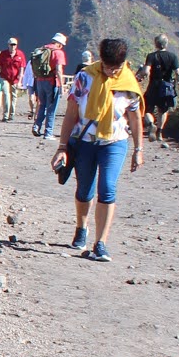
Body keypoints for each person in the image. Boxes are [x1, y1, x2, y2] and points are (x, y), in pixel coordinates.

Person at [51, 37, 144, 263]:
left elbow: (134, 116)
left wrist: (138, 149)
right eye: (107, 67)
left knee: (108, 188)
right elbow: (72, 113)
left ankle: (100, 243)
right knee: (84, 189)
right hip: (85, 142)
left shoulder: (128, 82)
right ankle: (82, 227)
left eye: (117, 68)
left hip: (115, 142)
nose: (112, 72)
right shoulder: (85, 77)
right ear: (101, 60)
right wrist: (62, 147)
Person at [141, 33, 179, 143]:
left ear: (156, 44)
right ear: (166, 44)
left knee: (146, 109)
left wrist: (140, 76)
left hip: (153, 87)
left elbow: (146, 71)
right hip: (166, 88)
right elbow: (178, 74)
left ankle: (151, 124)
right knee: (163, 110)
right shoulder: (172, 57)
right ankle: (159, 132)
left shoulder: (151, 56)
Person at [29, 31, 68, 139]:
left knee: (42, 105)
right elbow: (59, 70)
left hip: (40, 81)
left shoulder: (42, 49)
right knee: (51, 108)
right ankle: (48, 132)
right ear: (60, 43)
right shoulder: (58, 52)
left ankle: (36, 126)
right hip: (52, 82)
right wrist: (62, 86)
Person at [0, 37, 28, 120]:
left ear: (16, 45)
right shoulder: (3, 54)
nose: (13, 46)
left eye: (14, 45)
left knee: (14, 96)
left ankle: (11, 114)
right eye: (11, 44)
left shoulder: (20, 54)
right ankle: (5, 115)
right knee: (6, 94)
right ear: (8, 45)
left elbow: (21, 68)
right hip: (4, 77)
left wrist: (20, 80)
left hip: (15, 79)